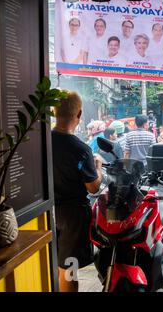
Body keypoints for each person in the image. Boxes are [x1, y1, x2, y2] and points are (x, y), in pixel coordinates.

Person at [52, 91, 103, 292]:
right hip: (72, 217)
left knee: (57, 263)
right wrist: (98, 166)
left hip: (48, 213)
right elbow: (93, 186)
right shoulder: (80, 148)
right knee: (69, 268)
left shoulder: (43, 142)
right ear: (79, 114)